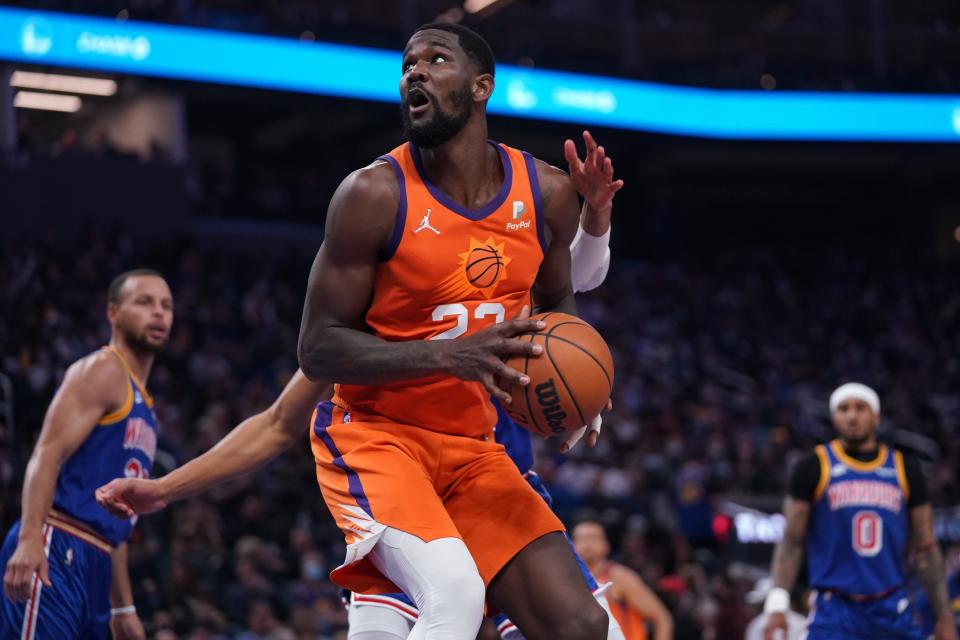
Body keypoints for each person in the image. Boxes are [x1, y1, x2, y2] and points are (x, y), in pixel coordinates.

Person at [96, 133, 622, 639]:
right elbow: (279, 423)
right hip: (400, 491)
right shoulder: (375, 340)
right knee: (449, 607)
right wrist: (165, 490)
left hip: (490, 486)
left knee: (589, 628)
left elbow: (568, 294)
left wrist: (594, 223)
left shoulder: (507, 298)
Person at [296, 21, 622, 640]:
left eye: (435, 60)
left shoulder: (548, 192)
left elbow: (556, 303)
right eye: (407, 65)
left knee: (582, 624)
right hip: (377, 439)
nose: (413, 72)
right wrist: (447, 356)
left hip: (474, 449)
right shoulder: (372, 194)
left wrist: (579, 383)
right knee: (454, 598)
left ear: (480, 87)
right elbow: (317, 348)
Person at [1, 269, 173, 640]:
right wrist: (31, 539)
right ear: (113, 313)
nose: (158, 313)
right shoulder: (103, 369)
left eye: (166, 306)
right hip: (56, 540)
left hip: (98, 558)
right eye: (144, 303)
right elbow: (46, 454)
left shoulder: (146, 405)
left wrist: (123, 606)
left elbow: (117, 516)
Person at [763, 383, 958, 640]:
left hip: (890, 605)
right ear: (834, 418)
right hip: (834, 608)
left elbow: (926, 547)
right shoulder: (812, 467)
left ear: (876, 416)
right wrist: (777, 605)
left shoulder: (905, 469)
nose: (852, 416)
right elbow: (791, 541)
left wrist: (943, 616)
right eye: (843, 409)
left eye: (860, 408)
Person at [571, 521, 673, 640]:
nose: (587, 543)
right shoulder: (570, 581)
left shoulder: (620, 577)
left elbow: (662, 618)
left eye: (593, 538)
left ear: (606, 546)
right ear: (572, 546)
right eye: (581, 538)